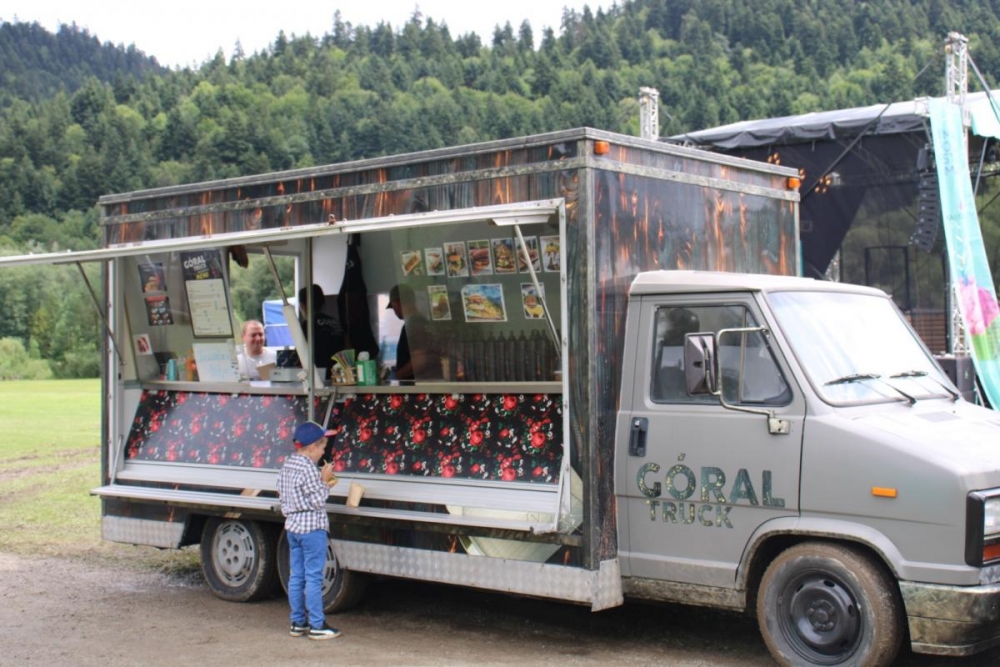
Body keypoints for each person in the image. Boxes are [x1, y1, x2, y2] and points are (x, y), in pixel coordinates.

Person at [276, 420, 341, 640]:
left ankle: (297, 622)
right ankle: (317, 624)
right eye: (322, 447)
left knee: (297, 576)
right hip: (312, 529)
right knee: (314, 577)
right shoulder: (309, 469)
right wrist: (325, 481)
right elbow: (318, 500)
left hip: (293, 527)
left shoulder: (288, 465)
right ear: (312, 447)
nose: (323, 452)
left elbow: (282, 492)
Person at [387, 283, 440, 381]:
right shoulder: (423, 321)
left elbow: (419, 361)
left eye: (393, 307)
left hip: (417, 385)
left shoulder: (413, 325)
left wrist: (397, 376)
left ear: (397, 304)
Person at [298, 285, 344, 378]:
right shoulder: (336, 322)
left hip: (318, 375)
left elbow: (301, 353)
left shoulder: (308, 325)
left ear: (303, 305)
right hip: (340, 373)